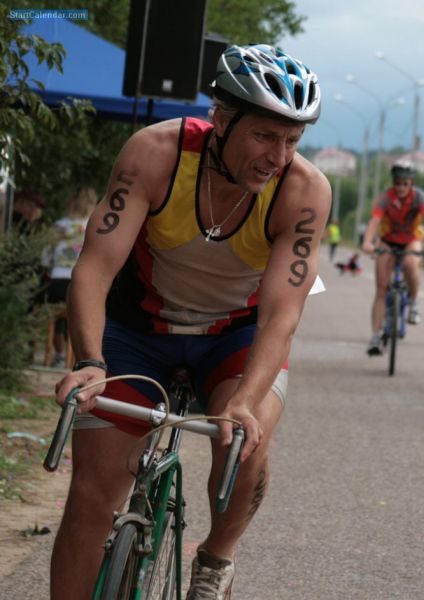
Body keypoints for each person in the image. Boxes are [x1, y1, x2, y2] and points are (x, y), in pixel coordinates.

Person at [50, 44, 330, 600]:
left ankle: (215, 558)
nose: (278, 156)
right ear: (220, 120)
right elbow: (95, 267)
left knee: (244, 443)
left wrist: (245, 400)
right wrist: (88, 361)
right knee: (92, 496)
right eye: (265, 136)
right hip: (136, 331)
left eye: (292, 141)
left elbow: (281, 316)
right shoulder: (155, 153)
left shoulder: (303, 192)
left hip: (234, 337)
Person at [361, 159, 424, 355]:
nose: (401, 187)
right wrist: (368, 242)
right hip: (388, 240)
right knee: (381, 288)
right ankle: (375, 337)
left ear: (411, 183)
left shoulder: (420, 197)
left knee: (411, 263)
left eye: (405, 183)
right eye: (398, 182)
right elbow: (374, 221)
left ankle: (413, 302)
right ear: (393, 182)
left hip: (412, 239)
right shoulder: (385, 198)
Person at [42, 186, 98, 367]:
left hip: (57, 281)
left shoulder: (59, 226)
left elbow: (45, 256)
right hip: (82, 283)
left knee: (56, 315)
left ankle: (58, 353)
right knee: (82, 315)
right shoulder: (95, 226)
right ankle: (80, 358)